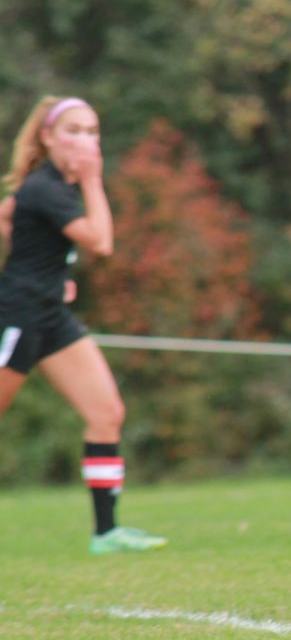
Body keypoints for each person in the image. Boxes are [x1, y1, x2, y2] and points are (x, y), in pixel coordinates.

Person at [0, 96, 167, 554]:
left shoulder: (47, 188)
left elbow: (8, 218)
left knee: (106, 413)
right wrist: (94, 181)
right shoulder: (47, 188)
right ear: (48, 138)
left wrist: (52, 276)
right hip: (20, 315)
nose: (84, 141)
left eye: (92, 132)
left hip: (52, 316)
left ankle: (106, 533)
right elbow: (101, 241)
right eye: (73, 131)